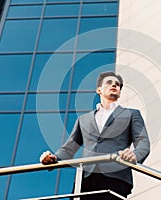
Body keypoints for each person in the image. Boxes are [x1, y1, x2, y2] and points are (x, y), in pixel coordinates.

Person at [40, 71, 150, 199]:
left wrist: (134, 156)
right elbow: (68, 148)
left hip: (115, 176)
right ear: (99, 90)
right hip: (85, 178)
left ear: (119, 92)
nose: (114, 85)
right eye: (109, 83)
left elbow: (143, 142)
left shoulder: (132, 114)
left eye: (118, 84)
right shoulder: (83, 119)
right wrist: (54, 158)